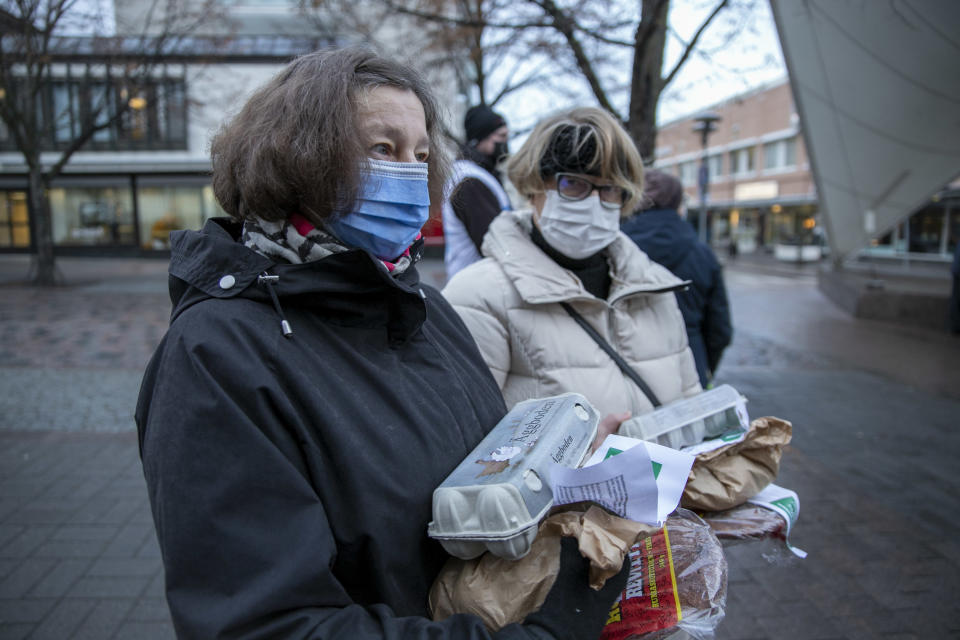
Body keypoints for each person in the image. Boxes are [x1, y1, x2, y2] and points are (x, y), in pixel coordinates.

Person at [135, 48, 626, 640]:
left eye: (420, 154)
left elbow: (477, 484)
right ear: (298, 159)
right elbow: (267, 625)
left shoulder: (426, 308)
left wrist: (562, 467)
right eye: (382, 149)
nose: (409, 173)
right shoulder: (216, 354)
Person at [443, 107, 701, 433]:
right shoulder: (478, 297)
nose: (594, 201)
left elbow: (691, 407)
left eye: (610, 188)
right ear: (534, 185)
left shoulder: (654, 287)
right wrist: (569, 461)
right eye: (574, 183)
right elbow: (464, 445)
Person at [621, 169, 733, 387]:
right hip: (688, 369)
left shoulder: (613, 248)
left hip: (627, 374)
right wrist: (704, 365)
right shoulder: (702, 253)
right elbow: (720, 330)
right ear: (677, 203)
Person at [442, 104, 512, 279]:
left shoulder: (479, 175)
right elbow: (497, 244)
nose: (505, 142)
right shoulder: (470, 181)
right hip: (477, 287)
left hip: (479, 283)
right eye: (501, 136)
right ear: (481, 138)